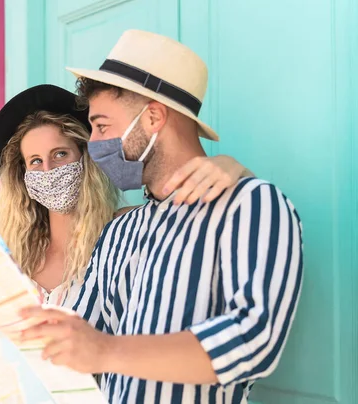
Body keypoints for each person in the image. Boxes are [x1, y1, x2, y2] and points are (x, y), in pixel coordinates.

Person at [18, 30, 304, 403]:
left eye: (102, 126)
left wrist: (107, 351)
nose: (94, 144)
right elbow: (71, 350)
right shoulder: (120, 232)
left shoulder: (252, 205)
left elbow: (253, 339)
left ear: (153, 117)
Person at [0, 84, 254, 395]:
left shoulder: (127, 231)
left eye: (60, 155)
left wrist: (230, 167)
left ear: (86, 157)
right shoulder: (8, 257)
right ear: (24, 177)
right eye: (35, 162)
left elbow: (196, 216)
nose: (48, 171)